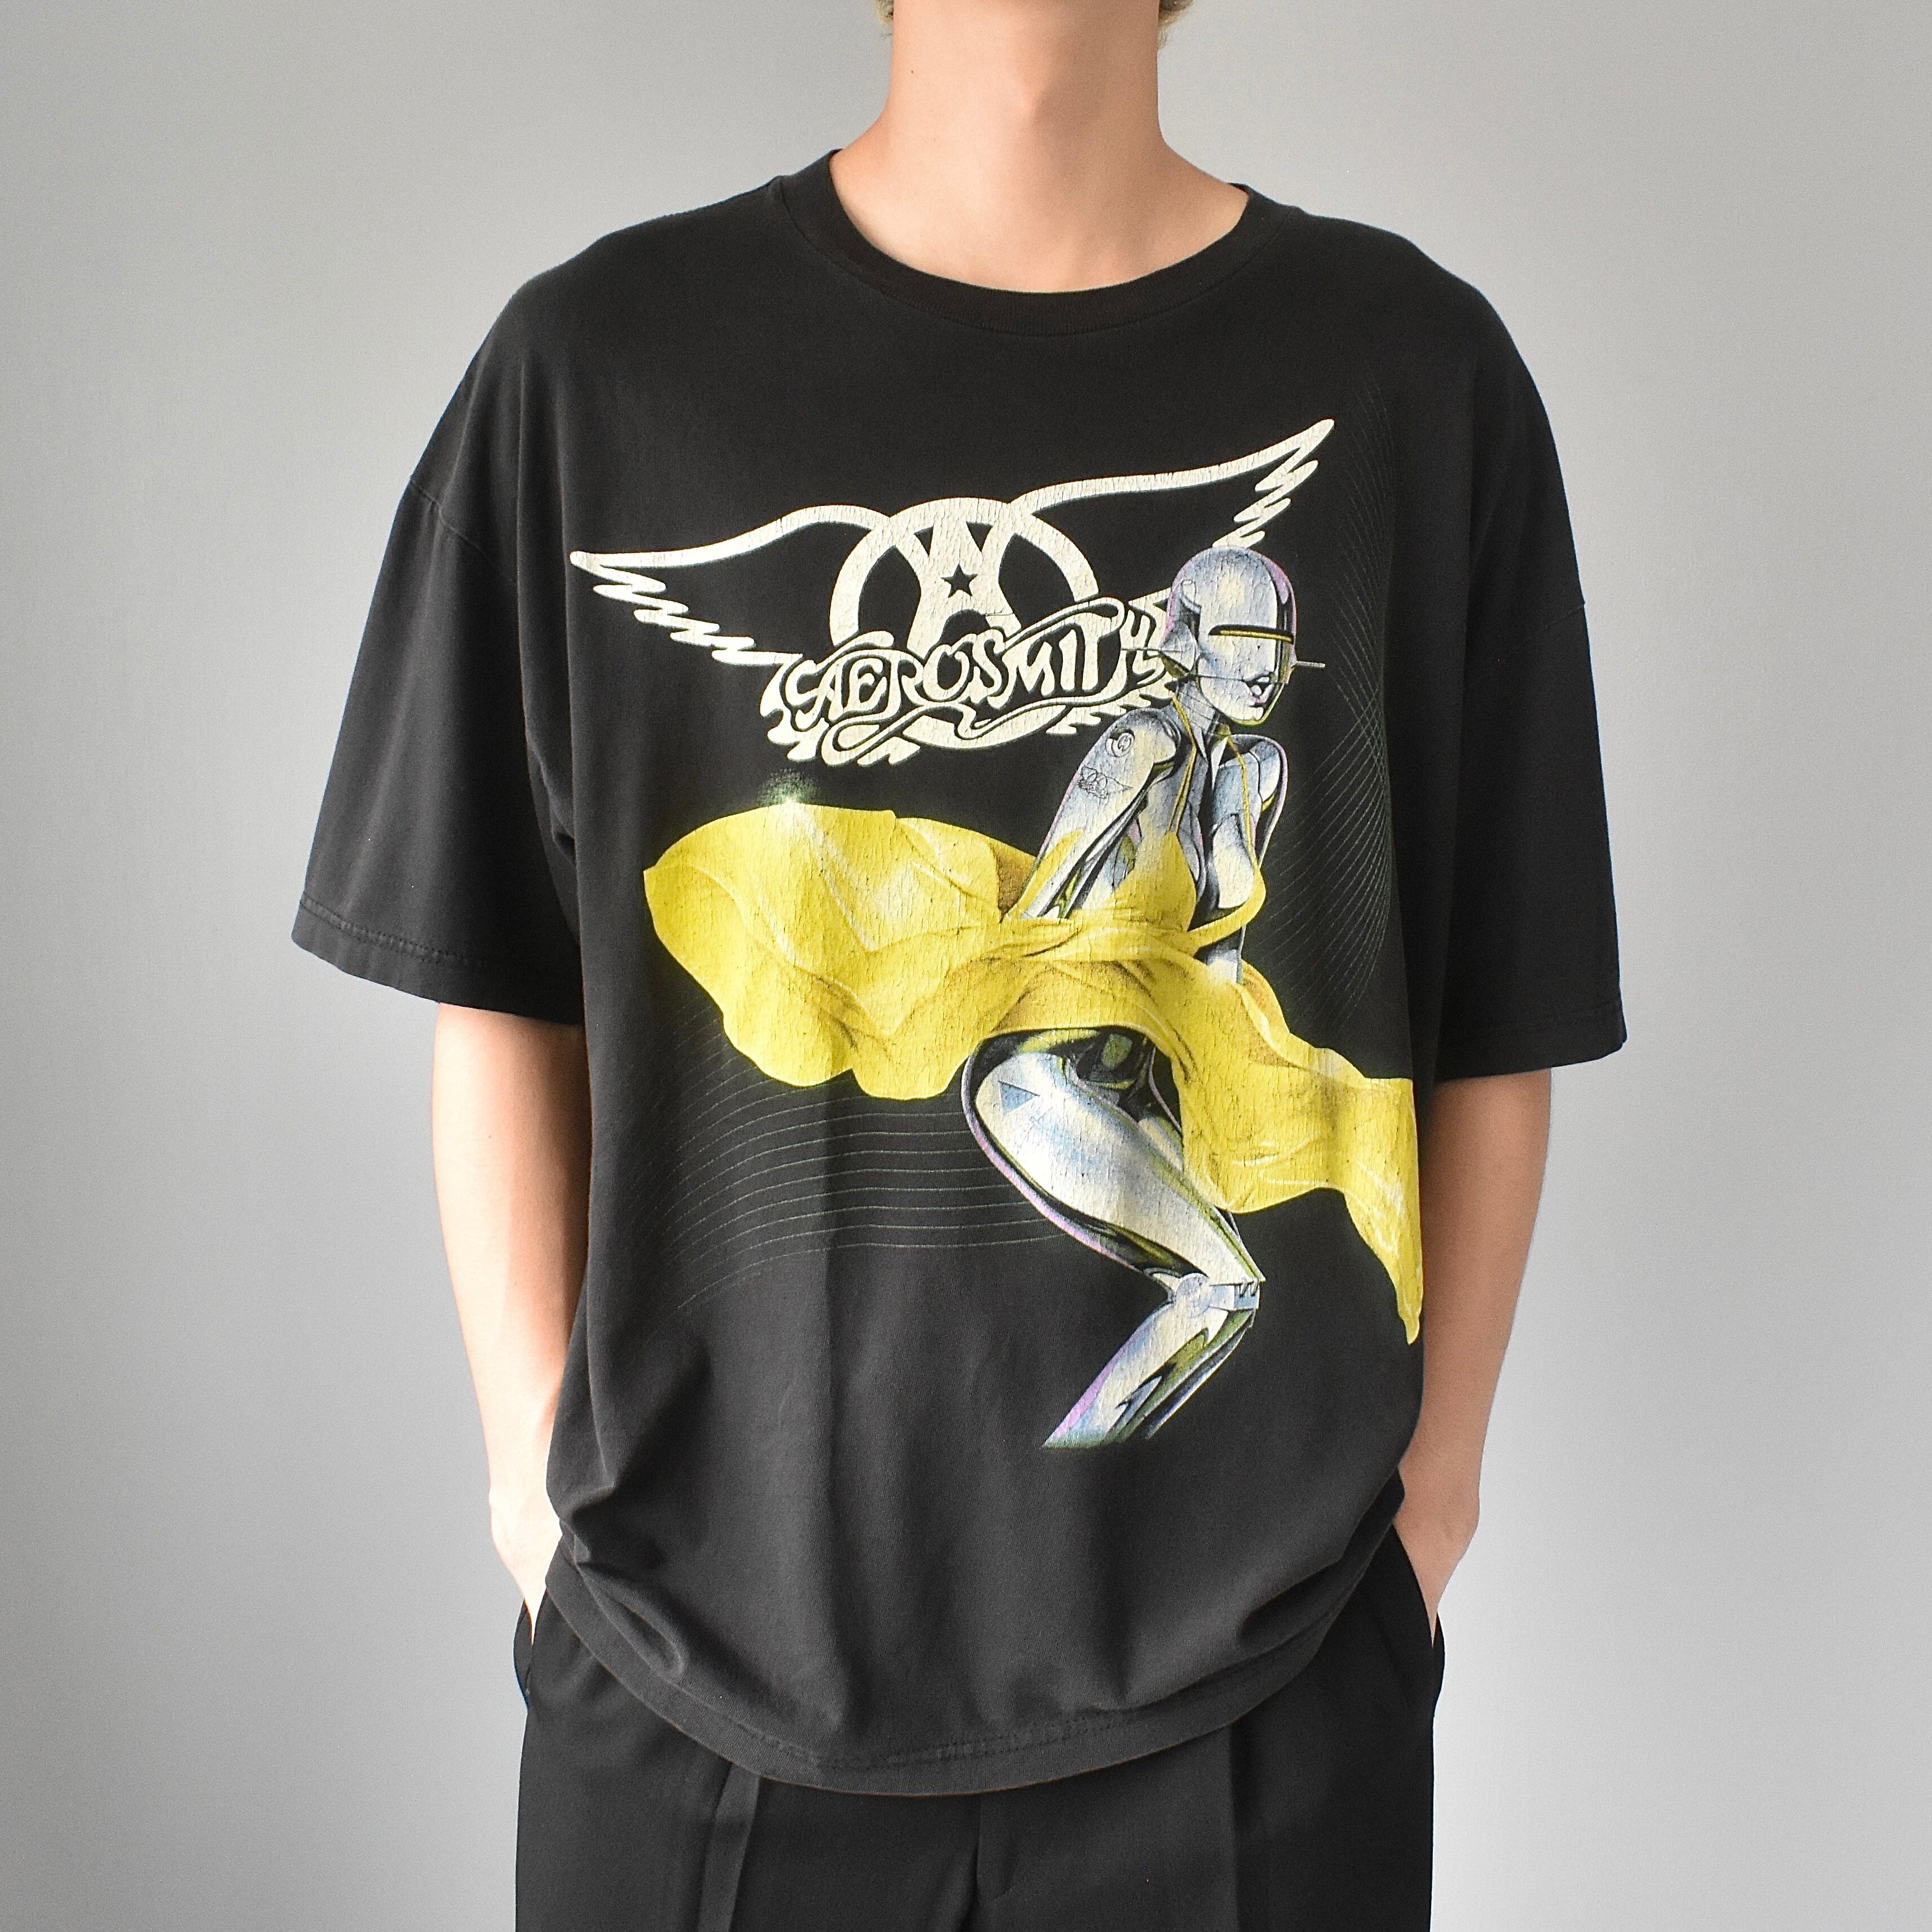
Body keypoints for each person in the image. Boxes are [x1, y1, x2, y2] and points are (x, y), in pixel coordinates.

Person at [294, 0, 1624, 1925]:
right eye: (1225, 653)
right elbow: (494, 971)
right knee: (1150, 1203)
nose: (1249, 676)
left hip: (1262, 1695)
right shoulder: (592, 370)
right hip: (690, 1681)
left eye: (1261, 655)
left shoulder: (1415, 374)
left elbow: (1498, 1003)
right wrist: (532, 1504)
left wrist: (1426, 1513)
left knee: (1227, 1250)